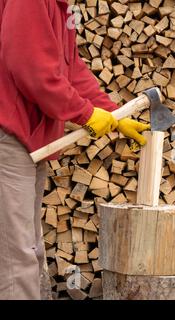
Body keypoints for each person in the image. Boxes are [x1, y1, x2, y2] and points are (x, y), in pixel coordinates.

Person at [0, 0, 149, 299]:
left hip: (28, 139)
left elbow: (72, 68)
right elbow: (30, 67)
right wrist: (84, 113)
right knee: (15, 256)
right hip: (7, 132)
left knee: (28, 246)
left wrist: (114, 115)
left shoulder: (63, 7)